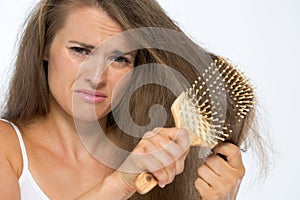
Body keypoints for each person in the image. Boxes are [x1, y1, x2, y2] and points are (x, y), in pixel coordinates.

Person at [0, 0, 268, 199]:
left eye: (119, 59)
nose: (96, 77)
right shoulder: (7, 149)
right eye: (80, 51)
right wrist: (120, 183)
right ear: (44, 48)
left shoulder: (163, 165)